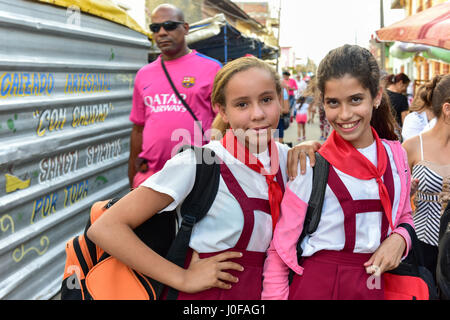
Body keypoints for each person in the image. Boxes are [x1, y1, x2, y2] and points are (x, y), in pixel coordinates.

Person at [87, 56, 319, 300]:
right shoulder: (198, 163)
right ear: (222, 111)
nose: (258, 114)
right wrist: (181, 277)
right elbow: (106, 228)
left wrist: (313, 146)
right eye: (242, 104)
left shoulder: (292, 159)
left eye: (266, 99)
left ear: (281, 100)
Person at [262, 44, 414, 300]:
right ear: (323, 103)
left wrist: (401, 238)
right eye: (333, 103)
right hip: (318, 287)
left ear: (376, 96)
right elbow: (280, 250)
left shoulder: (396, 155)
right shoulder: (310, 165)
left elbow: (405, 216)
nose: (345, 115)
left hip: (375, 286)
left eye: (356, 99)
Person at [128, 4, 222, 188]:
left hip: (196, 176)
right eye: (155, 28)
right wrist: (132, 173)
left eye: (169, 25)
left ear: (185, 28)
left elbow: (224, 122)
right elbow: (138, 128)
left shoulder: (212, 69)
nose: (162, 32)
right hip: (152, 177)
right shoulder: (144, 74)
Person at [402, 74, 450, 282]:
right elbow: (392, 203)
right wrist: (407, 194)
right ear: (447, 109)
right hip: (421, 246)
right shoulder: (412, 146)